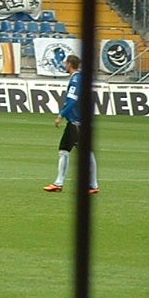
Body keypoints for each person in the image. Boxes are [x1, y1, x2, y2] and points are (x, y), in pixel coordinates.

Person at [44, 55, 99, 195]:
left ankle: (59, 183)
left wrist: (61, 115)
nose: (65, 65)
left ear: (69, 64)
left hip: (76, 123)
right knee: (85, 153)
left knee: (65, 151)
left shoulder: (75, 79)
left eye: (66, 63)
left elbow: (72, 100)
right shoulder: (82, 78)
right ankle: (92, 185)